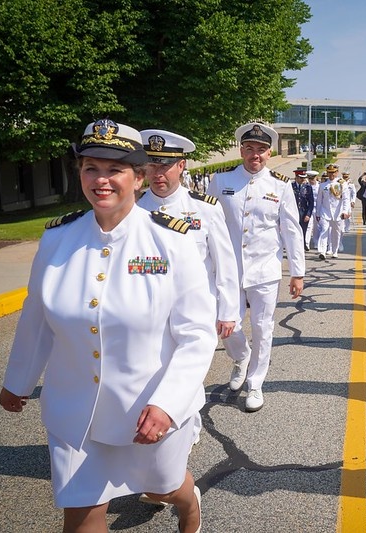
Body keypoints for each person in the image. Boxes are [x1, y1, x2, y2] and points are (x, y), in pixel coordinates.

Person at [0, 119, 214, 532]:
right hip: (74, 410)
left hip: (148, 409)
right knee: (81, 514)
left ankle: (188, 504)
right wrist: (19, 379)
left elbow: (196, 335)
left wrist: (168, 403)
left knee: (165, 488)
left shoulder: (170, 242)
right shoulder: (57, 240)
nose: (101, 180)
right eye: (90, 168)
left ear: (139, 177)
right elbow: (38, 316)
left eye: (114, 170)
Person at [137, 128, 239, 457]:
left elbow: (225, 263)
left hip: (197, 309)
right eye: (151, 165)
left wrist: (229, 311)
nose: (158, 173)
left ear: (182, 166)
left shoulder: (204, 209)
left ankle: (185, 430)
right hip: (149, 309)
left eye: (165, 165)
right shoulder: (133, 210)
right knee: (156, 369)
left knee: (188, 369)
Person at [206, 122, 305, 413]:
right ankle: (241, 358)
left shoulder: (280, 186)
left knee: (263, 328)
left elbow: (291, 231)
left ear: (269, 153)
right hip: (228, 269)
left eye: (261, 150)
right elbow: (210, 226)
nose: (255, 155)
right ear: (241, 150)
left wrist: (297, 272)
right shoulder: (220, 181)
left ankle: (255, 383)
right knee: (228, 326)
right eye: (250, 149)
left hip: (264, 270)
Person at [314, 163, 350, 260]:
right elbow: (319, 201)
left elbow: (346, 199)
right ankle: (322, 251)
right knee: (324, 230)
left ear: (337, 172)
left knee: (336, 233)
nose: (331, 175)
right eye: (329, 173)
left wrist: (345, 211)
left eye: (333, 173)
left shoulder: (342, 184)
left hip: (338, 213)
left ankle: (334, 251)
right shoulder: (323, 185)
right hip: (325, 212)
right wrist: (317, 213)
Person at [291, 168, 315, 251]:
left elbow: (311, 202)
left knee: (303, 231)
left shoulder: (308, 187)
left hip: (303, 213)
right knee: (293, 232)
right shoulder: (291, 186)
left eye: (304, 178)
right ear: (296, 177)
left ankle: (301, 248)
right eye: (301, 178)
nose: (303, 179)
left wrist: (308, 214)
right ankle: (294, 248)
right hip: (293, 213)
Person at [304, 170, 321, 250]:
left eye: (313, 178)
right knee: (308, 226)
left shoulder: (320, 186)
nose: (311, 180)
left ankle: (316, 242)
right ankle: (306, 243)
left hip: (318, 209)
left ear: (316, 178)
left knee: (317, 227)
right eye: (309, 178)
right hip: (309, 209)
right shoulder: (306, 186)